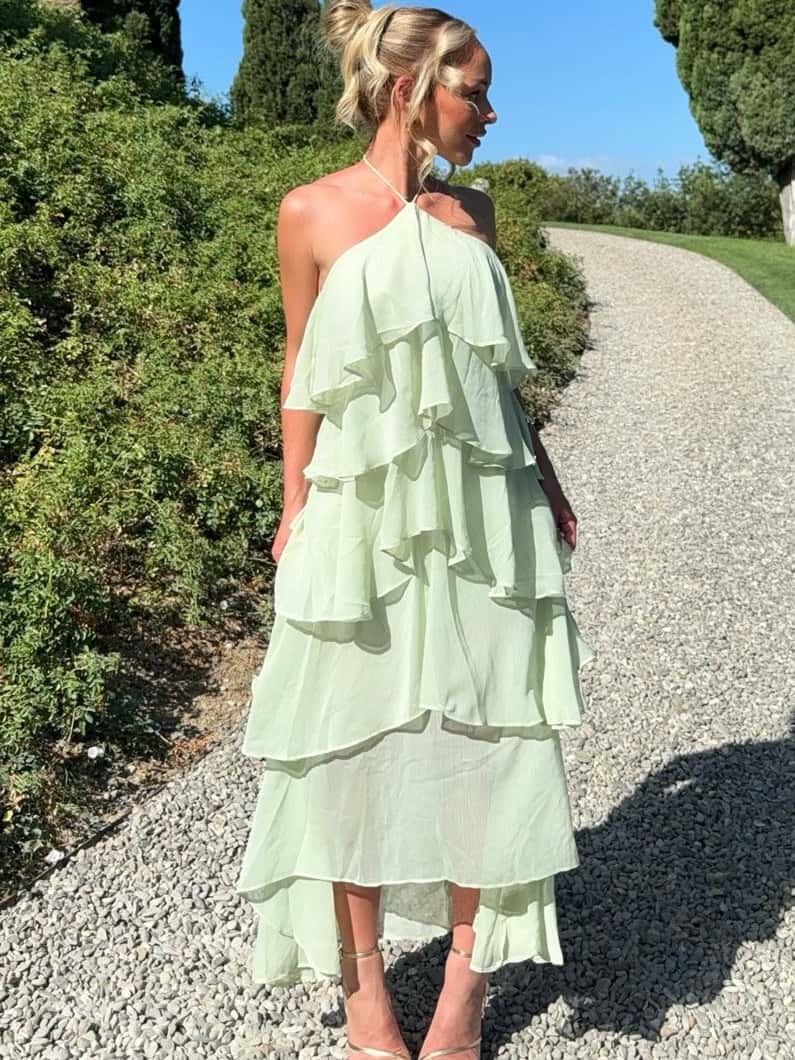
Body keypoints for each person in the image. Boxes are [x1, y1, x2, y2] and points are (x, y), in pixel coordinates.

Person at [235, 3, 596, 1058]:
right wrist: (295, 503)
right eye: (473, 91)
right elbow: (300, 368)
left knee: (492, 737)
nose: (489, 112)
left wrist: (545, 474)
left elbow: (491, 375)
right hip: (362, 511)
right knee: (345, 739)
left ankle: (462, 998)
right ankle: (365, 1003)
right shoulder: (309, 212)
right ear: (411, 90)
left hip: (485, 510)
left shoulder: (472, 213)